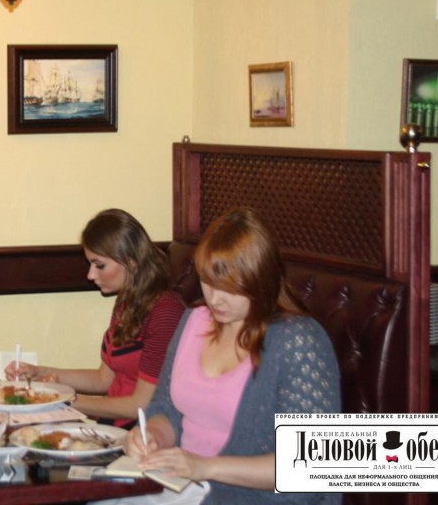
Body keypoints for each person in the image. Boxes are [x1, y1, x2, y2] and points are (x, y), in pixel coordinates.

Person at [122, 207, 340, 504]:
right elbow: (167, 406)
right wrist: (153, 436)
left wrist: (206, 467)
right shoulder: (193, 320)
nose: (215, 298)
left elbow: (313, 466)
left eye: (230, 287)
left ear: (260, 279)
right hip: (182, 485)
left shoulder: (298, 340)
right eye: (208, 281)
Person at [7, 208, 185, 427]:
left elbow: (141, 405)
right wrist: (41, 373)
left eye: (100, 265)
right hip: (113, 425)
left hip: (142, 432)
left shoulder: (165, 313)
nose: (90, 275)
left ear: (131, 261)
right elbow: (104, 379)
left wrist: (64, 400)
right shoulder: (127, 301)